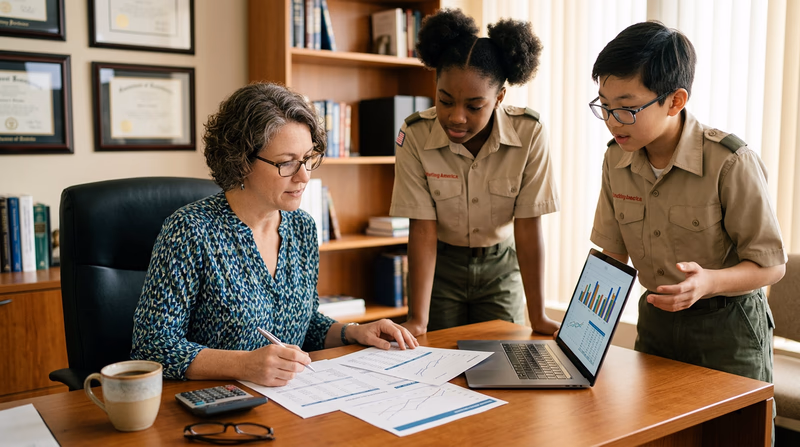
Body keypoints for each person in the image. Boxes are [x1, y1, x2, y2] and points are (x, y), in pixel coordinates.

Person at [131, 83, 418, 386]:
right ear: (241, 160)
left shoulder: (302, 228)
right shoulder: (190, 231)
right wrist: (243, 364)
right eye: (287, 162)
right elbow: (152, 348)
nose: (304, 175)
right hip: (215, 405)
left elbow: (305, 324)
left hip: (290, 401)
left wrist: (352, 332)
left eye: (308, 159)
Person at [589, 21, 786, 384]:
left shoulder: (729, 162)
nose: (612, 122)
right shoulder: (615, 160)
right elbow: (612, 255)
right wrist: (581, 337)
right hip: (655, 322)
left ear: (675, 101)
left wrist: (707, 282)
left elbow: (771, 266)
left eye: (626, 108)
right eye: (604, 106)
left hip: (727, 326)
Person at [390, 8, 561, 336]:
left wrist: (538, 316)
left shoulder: (530, 133)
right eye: (445, 100)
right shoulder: (414, 134)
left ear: (498, 98)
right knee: (436, 362)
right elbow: (422, 230)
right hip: (441, 268)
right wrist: (417, 319)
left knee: (504, 367)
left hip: (500, 269)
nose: (456, 117)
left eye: (473, 106)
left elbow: (527, 228)